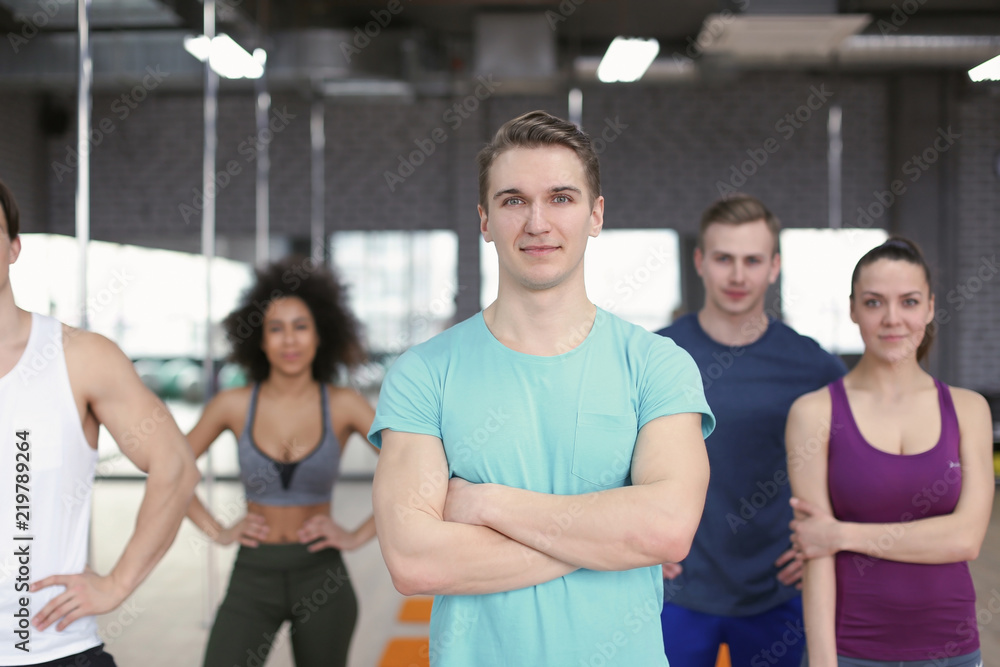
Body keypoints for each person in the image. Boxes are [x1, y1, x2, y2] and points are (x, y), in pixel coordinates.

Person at [369, 110, 715, 667]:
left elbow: (667, 531)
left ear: (595, 214)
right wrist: (606, 539)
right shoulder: (422, 374)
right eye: (512, 200)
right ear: (484, 220)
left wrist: (485, 502)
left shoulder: (657, 366)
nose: (537, 222)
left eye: (560, 198)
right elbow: (415, 562)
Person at [0, 179, 200, 666]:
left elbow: (175, 466)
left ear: (13, 246)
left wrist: (117, 583)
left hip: (51, 648)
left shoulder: (80, 357)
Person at [655, 194, 846, 666]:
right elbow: (612, 459)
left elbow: (854, 465)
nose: (738, 276)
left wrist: (828, 542)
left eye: (752, 260)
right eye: (724, 259)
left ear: (774, 266)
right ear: (700, 261)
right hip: (673, 591)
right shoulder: (656, 356)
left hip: (776, 591)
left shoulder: (812, 365)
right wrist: (635, 545)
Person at [787, 237, 992, 667]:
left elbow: (965, 538)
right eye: (875, 302)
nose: (893, 319)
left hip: (953, 650)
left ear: (931, 308)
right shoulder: (814, 413)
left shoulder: (968, 409)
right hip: (852, 649)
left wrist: (841, 534)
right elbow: (816, 560)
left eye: (910, 302)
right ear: (853, 309)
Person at [184, 256, 376, 667]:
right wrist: (215, 529)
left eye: (300, 327)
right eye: (276, 328)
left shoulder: (344, 405)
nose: (289, 340)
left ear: (321, 334)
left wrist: (360, 534)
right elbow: (170, 470)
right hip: (253, 575)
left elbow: (417, 470)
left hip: (322, 575)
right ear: (259, 338)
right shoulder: (231, 405)